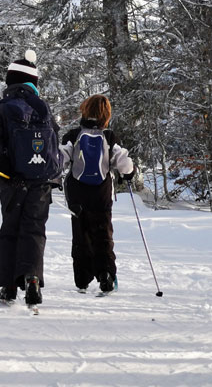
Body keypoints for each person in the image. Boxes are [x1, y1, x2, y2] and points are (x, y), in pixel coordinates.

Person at [0, 50, 61, 306]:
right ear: (33, 83)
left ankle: (8, 288)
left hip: (12, 182)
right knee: (34, 230)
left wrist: (5, 172)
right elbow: (54, 146)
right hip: (41, 183)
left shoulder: (1, 108)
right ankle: (32, 280)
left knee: (10, 231)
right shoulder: (44, 108)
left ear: (10, 81)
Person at [60, 94, 135, 294]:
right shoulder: (110, 137)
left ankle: (82, 280)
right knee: (102, 234)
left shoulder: (73, 135)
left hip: (77, 193)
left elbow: (61, 159)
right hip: (101, 193)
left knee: (81, 234)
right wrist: (129, 173)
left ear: (85, 110)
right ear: (106, 115)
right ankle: (106, 275)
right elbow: (124, 164)